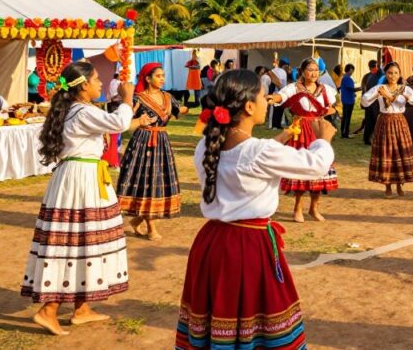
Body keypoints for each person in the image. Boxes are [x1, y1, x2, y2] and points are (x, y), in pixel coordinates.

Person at [176, 70, 335, 350]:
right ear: (249, 106)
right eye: (263, 96)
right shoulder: (257, 152)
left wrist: (284, 135)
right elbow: (316, 165)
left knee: (219, 314)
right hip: (248, 245)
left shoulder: (206, 145)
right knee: (257, 314)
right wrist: (324, 139)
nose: (267, 101)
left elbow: (248, 158)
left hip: (211, 243)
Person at [21, 61, 148, 336]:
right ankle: (49, 309)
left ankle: (81, 308)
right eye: (96, 80)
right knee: (74, 240)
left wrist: (132, 117)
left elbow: (117, 126)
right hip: (81, 179)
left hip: (81, 176)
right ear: (83, 86)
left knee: (87, 239)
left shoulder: (78, 110)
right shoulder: (80, 111)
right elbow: (117, 122)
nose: (101, 83)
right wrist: (127, 97)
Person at [116, 63, 188, 241]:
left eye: (163, 75)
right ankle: (151, 228)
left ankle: (138, 221)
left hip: (161, 142)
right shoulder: (137, 99)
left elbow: (179, 111)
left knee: (157, 182)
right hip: (142, 143)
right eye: (158, 76)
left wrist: (199, 109)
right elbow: (125, 119)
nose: (162, 79)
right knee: (146, 182)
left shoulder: (168, 97)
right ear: (147, 79)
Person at [268, 58, 339, 223]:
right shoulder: (294, 87)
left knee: (320, 168)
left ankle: (314, 208)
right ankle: (297, 208)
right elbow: (281, 96)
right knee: (301, 168)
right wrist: (273, 98)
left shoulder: (325, 89)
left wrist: (326, 113)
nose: (313, 73)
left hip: (318, 129)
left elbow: (337, 105)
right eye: (310, 69)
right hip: (300, 130)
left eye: (316, 69)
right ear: (302, 71)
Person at [361, 62, 413, 196]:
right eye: (390, 73)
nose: (393, 76)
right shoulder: (380, 88)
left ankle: (400, 184)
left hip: (399, 122)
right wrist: (376, 95)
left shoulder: (404, 89)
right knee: (386, 153)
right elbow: (364, 101)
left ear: (399, 74)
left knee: (400, 152)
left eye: (395, 73)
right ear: (385, 74)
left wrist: (404, 96)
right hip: (385, 121)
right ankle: (387, 185)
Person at [357, 60, 381, 144]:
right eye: (375, 66)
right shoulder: (371, 76)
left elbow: (363, 90)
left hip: (372, 102)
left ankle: (368, 138)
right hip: (373, 102)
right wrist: (363, 101)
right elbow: (364, 89)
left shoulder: (369, 76)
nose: (377, 68)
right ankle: (368, 138)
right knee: (372, 120)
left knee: (371, 120)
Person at [269, 58, 290, 130]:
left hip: (280, 92)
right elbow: (278, 82)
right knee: (277, 110)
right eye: (286, 66)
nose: (287, 67)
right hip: (277, 92)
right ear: (283, 65)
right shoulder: (279, 71)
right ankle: (275, 125)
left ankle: (277, 125)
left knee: (280, 109)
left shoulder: (280, 71)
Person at [340, 64, 357, 139]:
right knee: (347, 117)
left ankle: (343, 132)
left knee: (345, 116)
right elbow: (351, 88)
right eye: (352, 70)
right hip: (348, 101)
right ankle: (345, 134)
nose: (352, 71)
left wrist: (353, 94)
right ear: (349, 70)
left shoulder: (345, 78)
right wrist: (361, 88)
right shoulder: (347, 78)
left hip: (346, 99)